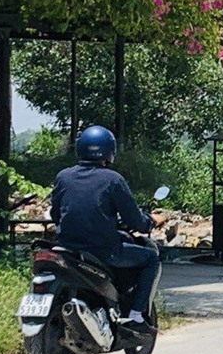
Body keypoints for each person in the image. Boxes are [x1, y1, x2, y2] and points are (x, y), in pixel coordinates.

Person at [48, 124, 158, 330]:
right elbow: (135, 220)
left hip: (67, 249)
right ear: (110, 151)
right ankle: (136, 315)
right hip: (103, 251)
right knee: (150, 259)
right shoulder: (113, 179)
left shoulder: (64, 176)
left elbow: (56, 214)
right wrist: (149, 222)